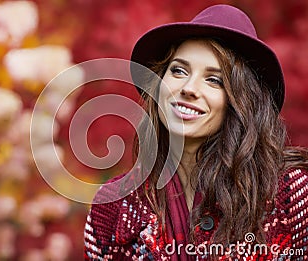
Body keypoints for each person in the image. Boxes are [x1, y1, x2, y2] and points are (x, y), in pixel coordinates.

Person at [84, 4, 308, 260]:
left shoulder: (289, 194)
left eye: (214, 80)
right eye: (178, 70)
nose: (189, 88)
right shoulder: (114, 204)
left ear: (241, 102)